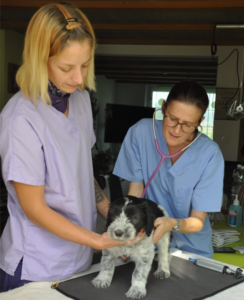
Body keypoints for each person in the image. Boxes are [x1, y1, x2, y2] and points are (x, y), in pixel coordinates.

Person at [0, 2, 143, 292]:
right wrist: (99, 241)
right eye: (67, 67)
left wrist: (113, 215)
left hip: (78, 257)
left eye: (85, 65)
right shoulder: (21, 119)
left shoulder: (78, 100)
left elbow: (81, 171)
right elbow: (35, 208)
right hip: (36, 265)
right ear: (40, 59)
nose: (79, 79)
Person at [113, 80, 224, 258]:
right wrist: (130, 232)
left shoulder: (210, 154)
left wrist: (172, 224)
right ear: (163, 108)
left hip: (193, 249)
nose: (177, 130)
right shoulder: (141, 133)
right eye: (172, 119)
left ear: (200, 121)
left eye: (188, 125)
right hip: (150, 243)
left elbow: (197, 221)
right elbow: (135, 195)